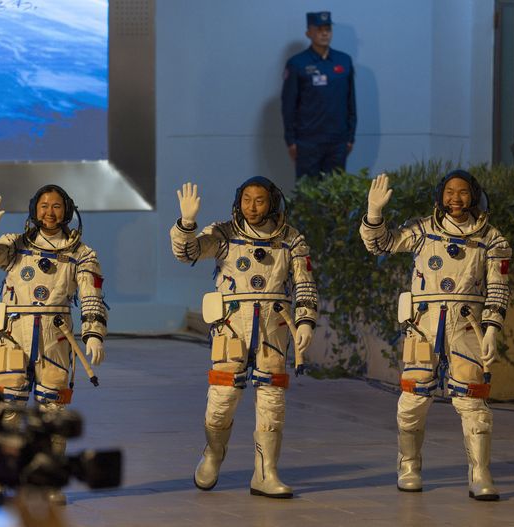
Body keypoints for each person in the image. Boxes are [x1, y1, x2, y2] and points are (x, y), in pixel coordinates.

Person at [360, 171, 511, 501]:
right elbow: (380, 244)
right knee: (413, 398)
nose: (455, 198)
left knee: (473, 401)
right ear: (439, 196)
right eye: (449, 192)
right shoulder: (422, 230)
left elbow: (499, 289)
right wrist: (374, 213)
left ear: (475, 196)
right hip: (424, 325)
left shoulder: (493, 239)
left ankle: (480, 473)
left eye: (463, 192)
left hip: (467, 325)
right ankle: (409, 466)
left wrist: (492, 328)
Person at [170, 177, 318, 498]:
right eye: (247, 200)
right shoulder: (224, 234)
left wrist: (305, 321)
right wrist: (187, 222)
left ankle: (266, 473)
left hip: (273, 329)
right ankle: (213, 453)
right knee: (222, 401)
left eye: (260, 200)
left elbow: (305, 283)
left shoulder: (291, 240)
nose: (252, 207)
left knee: (272, 402)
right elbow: (188, 252)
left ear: (272, 202)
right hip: (231, 327)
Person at [0, 184, 108, 505]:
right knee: (7, 412)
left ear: (67, 210)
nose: (49, 212)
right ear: (34, 209)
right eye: (44, 205)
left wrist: (94, 333)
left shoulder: (81, 254)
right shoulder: (15, 245)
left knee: (53, 414)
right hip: (14, 336)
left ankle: (48, 480)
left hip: (55, 341)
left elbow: (92, 295)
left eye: (56, 206)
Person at [281, 10, 357, 179]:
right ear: (309, 32)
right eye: (319, 29)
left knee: (336, 197)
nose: (324, 33)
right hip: (308, 143)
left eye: (328, 29)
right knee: (307, 197)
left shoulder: (344, 61)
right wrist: (291, 140)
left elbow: (351, 101)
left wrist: (350, 137)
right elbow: (288, 105)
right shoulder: (297, 64)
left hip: (337, 141)